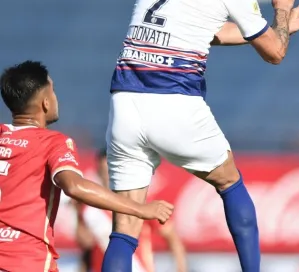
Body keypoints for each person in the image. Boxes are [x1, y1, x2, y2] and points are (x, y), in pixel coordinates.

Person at [104, 0, 299, 272]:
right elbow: (275, 52)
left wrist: (278, 29)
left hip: (125, 104)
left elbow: (206, 30)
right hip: (174, 101)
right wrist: (280, 8)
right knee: (230, 182)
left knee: (125, 226)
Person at [0, 61, 174, 272]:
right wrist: (140, 209)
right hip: (27, 262)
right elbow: (74, 187)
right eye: (53, 91)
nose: (56, 99)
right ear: (45, 103)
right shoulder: (53, 143)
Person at [75, 149, 187, 272]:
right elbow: (85, 244)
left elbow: (172, 238)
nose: (107, 177)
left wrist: (181, 269)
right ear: (97, 172)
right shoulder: (89, 208)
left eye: (110, 171)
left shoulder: (139, 204)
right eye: (103, 172)